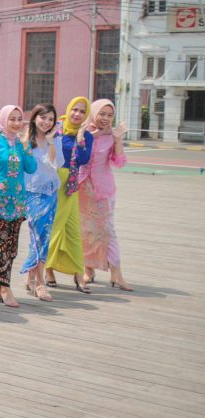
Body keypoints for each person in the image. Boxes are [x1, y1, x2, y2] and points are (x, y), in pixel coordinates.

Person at [0, 105, 37, 307]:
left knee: (10, 246)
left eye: (20, 119)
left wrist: (27, 146)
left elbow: (31, 167)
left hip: (17, 202)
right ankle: (1, 285)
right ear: (3, 120)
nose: (17, 123)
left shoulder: (21, 144)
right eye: (12, 119)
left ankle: (0, 283)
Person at [80, 99, 132, 290]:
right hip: (82, 189)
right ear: (94, 113)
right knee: (85, 231)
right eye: (102, 114)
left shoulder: (112, 135)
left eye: (110, 115)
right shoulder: (84, 131)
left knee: (108, 231)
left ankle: (116, 274)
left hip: (103, 190)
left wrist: (118, 140)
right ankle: (88, 269)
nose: (106, 118)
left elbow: (120, 162)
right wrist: (85, 136)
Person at [44, 97, 94, 293]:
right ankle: (46, 269)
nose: (77, 114)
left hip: (71, 185)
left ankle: (78, 273)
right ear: (68, 109)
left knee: (73, 229)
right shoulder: (56, 127)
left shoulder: (87, 136)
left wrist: (81, 138)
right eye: (75, 109)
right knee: (55, 226)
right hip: (54, 181)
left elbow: (83, 159)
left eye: (82, 111)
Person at [21, 104, 61, 301]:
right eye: (43, 117)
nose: (46, 122)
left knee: (43, 237)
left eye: (51, 119)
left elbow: (55, 164)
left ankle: (31, 279)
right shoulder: (26, 140)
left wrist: (52, 142)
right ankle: (40, 284)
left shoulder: (54, 140)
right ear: (34, 117)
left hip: (51, 193)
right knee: (38, 237)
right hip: (32, 194)